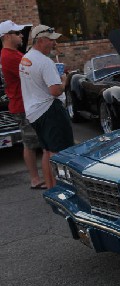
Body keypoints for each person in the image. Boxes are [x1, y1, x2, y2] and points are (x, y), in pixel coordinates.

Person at [19, 25, 74, 189]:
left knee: (47, 151)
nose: (54, 44)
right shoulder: (45, 62)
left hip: (34, 112)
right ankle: (61, 189)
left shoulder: (26, 58)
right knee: (59, 153)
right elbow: (55, 91)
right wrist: (64, 80)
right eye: (51, 41)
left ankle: (51, 188)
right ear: (41, 40)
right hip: (50, 110)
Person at [0, 20, 45, 189]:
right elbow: (31, 74)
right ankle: (35, 178)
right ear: (6, 36)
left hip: (27, 103)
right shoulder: (9, 56)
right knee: (30, 143)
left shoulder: (14, 53)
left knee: (33, 141)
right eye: (17, 33)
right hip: (23, 105)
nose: (20, 36)